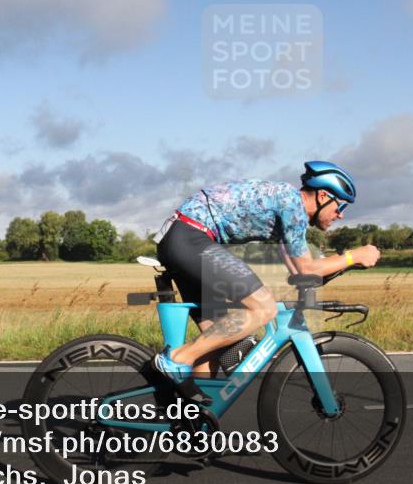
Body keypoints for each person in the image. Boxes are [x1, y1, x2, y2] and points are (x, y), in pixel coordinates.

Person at [152, 161, 380, 382]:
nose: (340, 215)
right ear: (322, 196)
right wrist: (354, 256)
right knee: (263, 307)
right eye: (340, 206)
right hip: (191, 237)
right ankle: (175, 359)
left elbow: (301, 272)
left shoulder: (289, 209)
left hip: (184, 238)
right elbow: (307, 267)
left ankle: (190, 414)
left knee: (215, 342)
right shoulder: (292, 204)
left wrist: (339, 265)